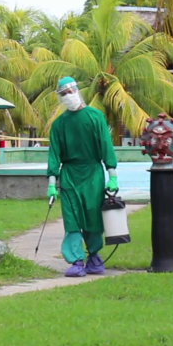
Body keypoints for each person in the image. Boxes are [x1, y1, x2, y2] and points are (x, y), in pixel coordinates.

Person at [47, 76, 118, 277]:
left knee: (93, 216)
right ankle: (77, 261)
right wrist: (52, 182)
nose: (68, 96)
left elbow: (106, 146)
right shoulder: (59, 125)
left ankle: (94, 256)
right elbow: (54, 155)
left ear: (78, 91)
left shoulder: (95, 117)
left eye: (70, 92)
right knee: (72, 218)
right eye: (63, 94)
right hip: (69, 175)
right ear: (60, 97)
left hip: (93, 173)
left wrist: (112, 174)